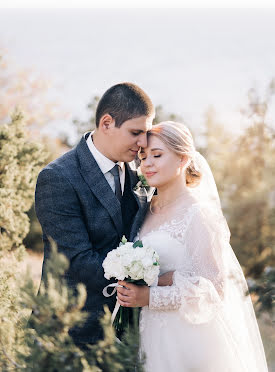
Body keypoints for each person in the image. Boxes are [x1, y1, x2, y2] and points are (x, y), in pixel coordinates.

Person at [117, 121, 268, 372]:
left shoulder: (199, 214)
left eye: (157, 155)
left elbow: (214, 289)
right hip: (151, 335)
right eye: (143, 157)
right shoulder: (145, 210)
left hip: (189, 338)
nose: (148, 164)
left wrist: (150, 295)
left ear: (182, 159)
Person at [35, 82, 155, 347]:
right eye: (136, 132)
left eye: (146, 133)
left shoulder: (143, 169)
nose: (143, 143)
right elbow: (76, 260)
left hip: (133, 332)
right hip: (71, 332)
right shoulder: (58, 178)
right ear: (107, 123)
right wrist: (146, 282)